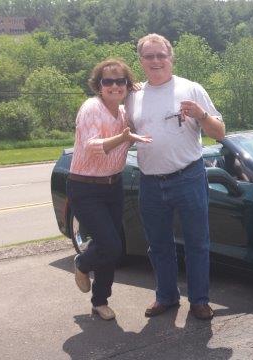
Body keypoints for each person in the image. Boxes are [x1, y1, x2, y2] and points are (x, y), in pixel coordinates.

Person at [125, 33, 225, 320]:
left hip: (188, 177)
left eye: (161, 55)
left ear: (171, 58)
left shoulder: (191, 89)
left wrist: (202, 115)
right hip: (150, 181)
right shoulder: (134, 96)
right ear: (141, 60)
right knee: (158, 245)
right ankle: (166, 297)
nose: (156, 61)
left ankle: (199, 300)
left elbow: (220, 132)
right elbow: (126, 131)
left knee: (197, 243)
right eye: (149, 56)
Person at [68, 59, 152, 320]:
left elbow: (135, 104)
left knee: (110, 247)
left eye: (121, 81)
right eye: (108, 81)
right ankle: (82, 264)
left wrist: (136, 89)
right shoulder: (91, 108)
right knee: (111, 245)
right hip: (85, 186)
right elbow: (93, 145)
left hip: (112, 185)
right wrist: (124, 138)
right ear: (99, 85)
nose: (114, 86)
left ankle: (99, 301)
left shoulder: (125, 111)